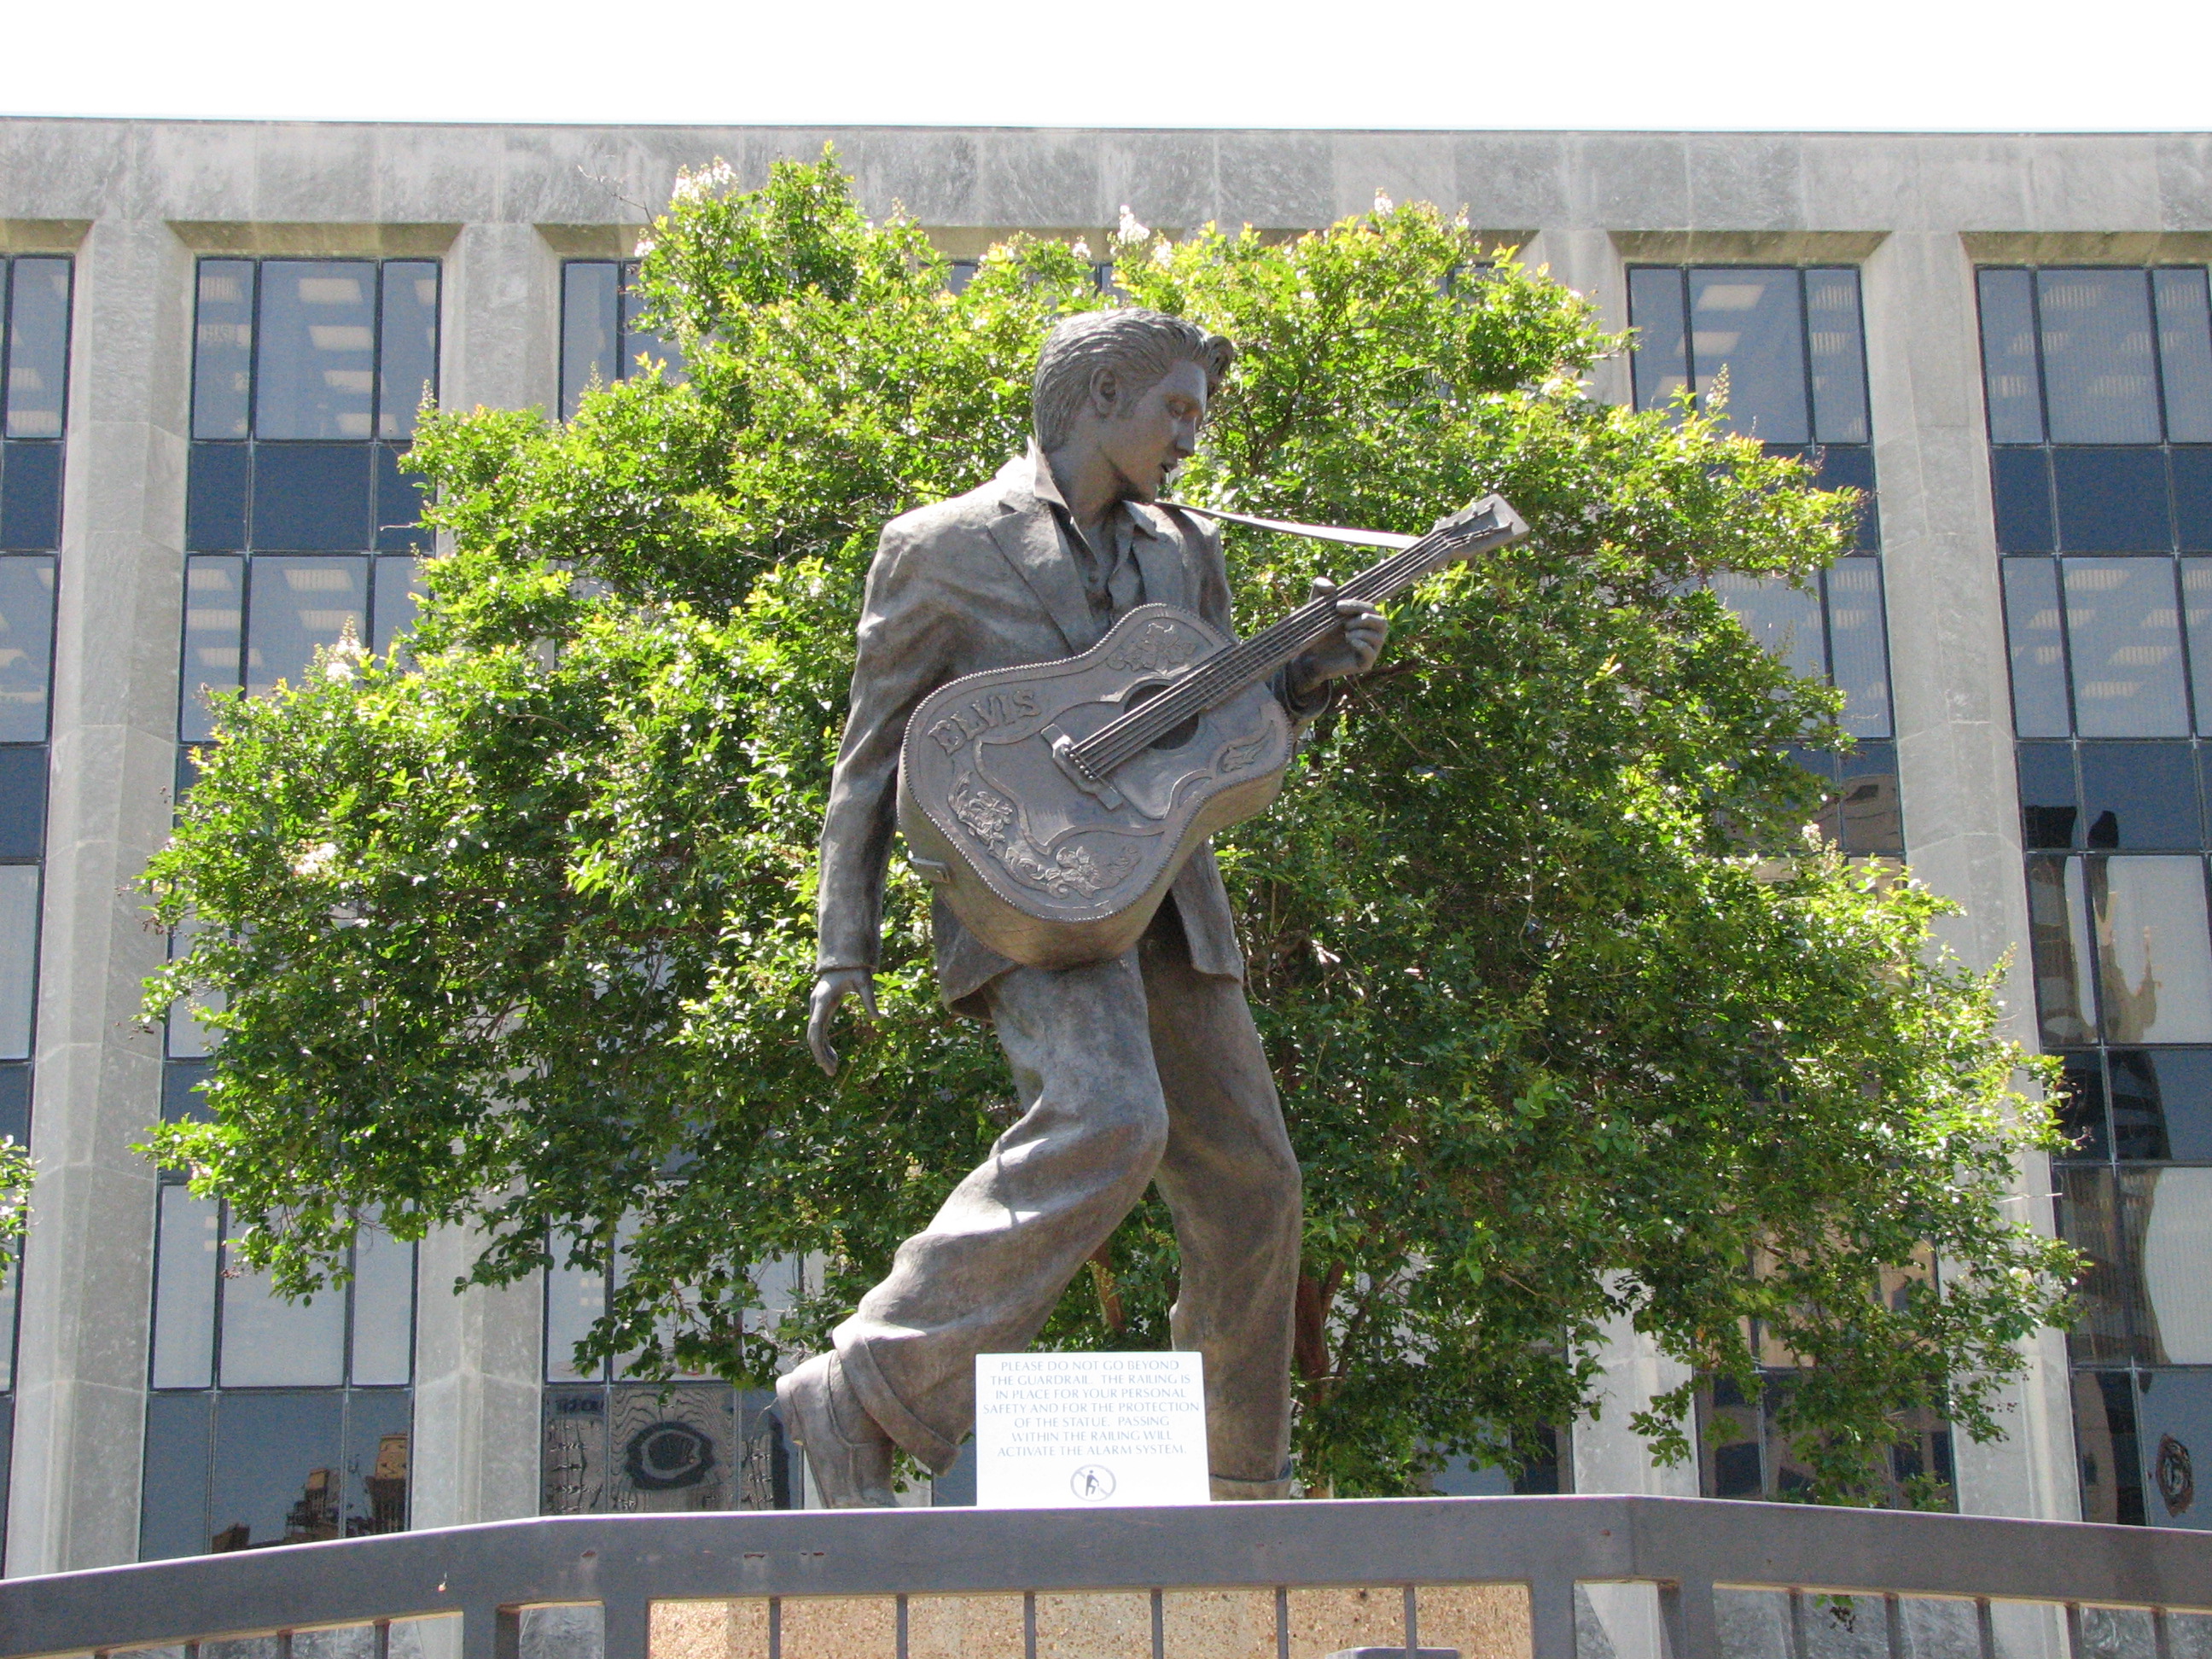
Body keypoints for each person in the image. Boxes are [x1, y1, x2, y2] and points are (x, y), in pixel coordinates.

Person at [783, 307, 1388, 1506]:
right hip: (1027, 895)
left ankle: (1236, 1487)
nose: (1188, 441)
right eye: (1174, 411)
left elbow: (1212, 726)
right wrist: (837, 953)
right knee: (1112, 1119)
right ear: (1102, 392)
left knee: (1253, 1185)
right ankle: (868, 1386)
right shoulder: (941, 544)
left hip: (1165, 900)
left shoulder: (1185, 549)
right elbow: (869, 761)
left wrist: (1306, 686)